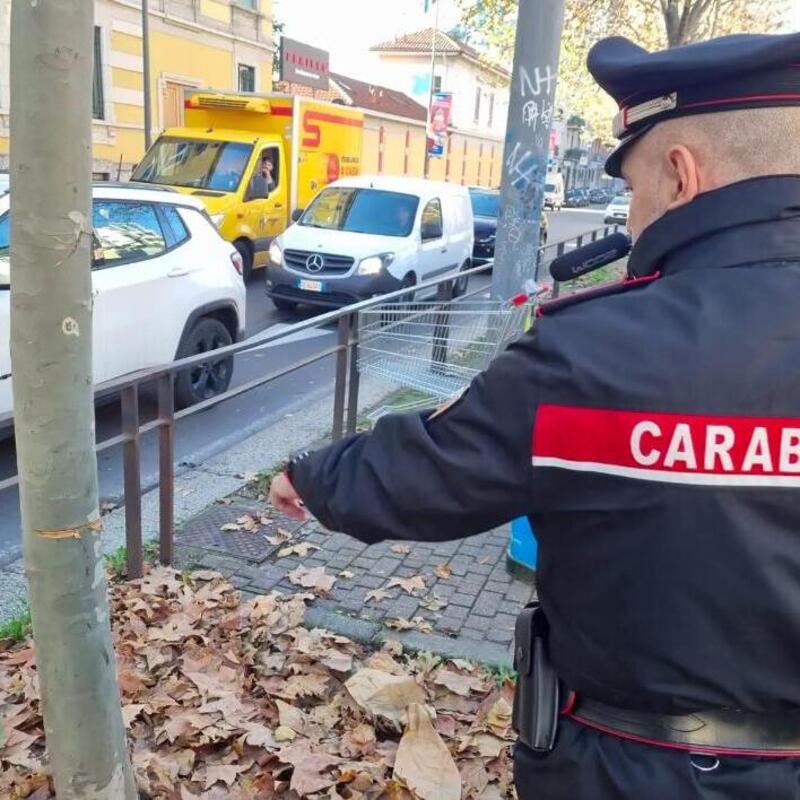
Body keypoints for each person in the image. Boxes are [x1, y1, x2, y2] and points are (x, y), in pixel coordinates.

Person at [271, 31, 800, 799]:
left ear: (681, 176)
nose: (633, 215)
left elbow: (434, 472)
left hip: (630, 771)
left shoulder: (594, 353)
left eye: (634, 188)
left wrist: (314, 477)